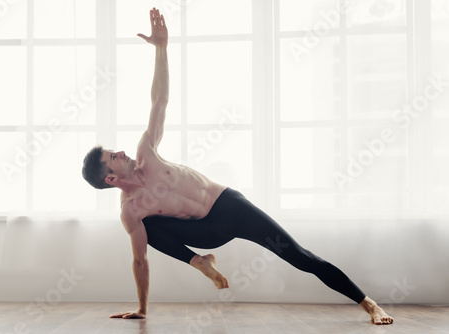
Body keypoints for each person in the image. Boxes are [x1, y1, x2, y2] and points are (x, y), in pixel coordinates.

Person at [82, 8, 394, 325]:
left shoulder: (146, 152)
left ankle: (369, 304)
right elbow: (139, 260)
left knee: (299, 256)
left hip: (230, 208)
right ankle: (199, 261)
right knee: (146, 231)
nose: (121, 152)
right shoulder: (131, 210)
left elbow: (159, 101)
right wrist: (143, 308)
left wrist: (161, 50)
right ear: (110, 177)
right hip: (206, 232)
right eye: (114, 157)